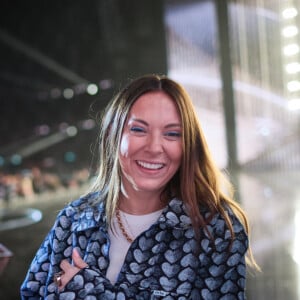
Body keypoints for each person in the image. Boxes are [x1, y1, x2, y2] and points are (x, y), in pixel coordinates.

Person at [20, 74, 257, 299]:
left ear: (187, 145)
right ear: (114, 134)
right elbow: (31, 294)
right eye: (139, 129)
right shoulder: (72, 221)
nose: (154, 147)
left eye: (172, 134)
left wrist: (89, 290)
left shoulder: (215, 231)